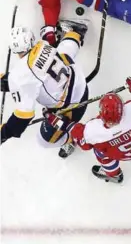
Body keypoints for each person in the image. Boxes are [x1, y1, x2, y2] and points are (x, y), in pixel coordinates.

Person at [0, 21, 89, 158]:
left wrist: (4, 133)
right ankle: (75, 34)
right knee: (62, 53)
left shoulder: (20, 76)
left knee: (43, 141)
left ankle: (71, 139)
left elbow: (23, 117)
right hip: (77, 79)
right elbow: (31, 74)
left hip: (72, 106)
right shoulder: (42, 44)